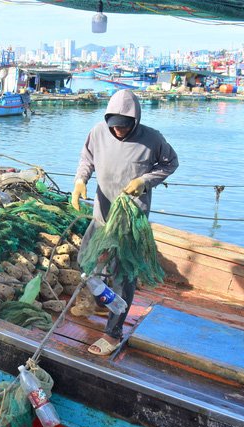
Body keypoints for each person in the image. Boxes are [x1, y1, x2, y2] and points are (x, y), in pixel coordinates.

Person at [71, 89, 179, 356]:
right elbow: (87, 158)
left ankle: (113, 332)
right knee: (86, 262)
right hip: (102, 214)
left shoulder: (153, 139)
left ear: (135, 121)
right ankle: (100, 300)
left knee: (123, 275)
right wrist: (80, 181)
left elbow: (170, 163)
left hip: (131, 222)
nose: (118, 131)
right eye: (113, 126)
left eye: (123, 125)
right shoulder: (98, 132)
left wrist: (145, 181)